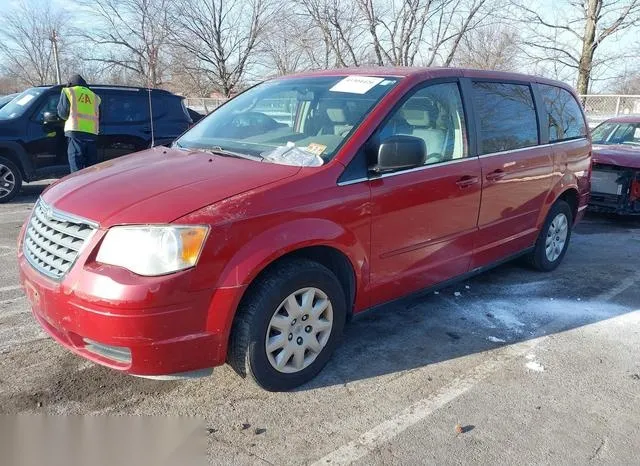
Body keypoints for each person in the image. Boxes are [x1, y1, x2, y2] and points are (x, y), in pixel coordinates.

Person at [57, 74, 101, 172]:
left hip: (75, 134)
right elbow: (99, 116)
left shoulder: (69, 92)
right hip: (92, 135)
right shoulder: (94, 96)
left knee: (76, 169)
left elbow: (63, 113)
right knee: (92, 170)